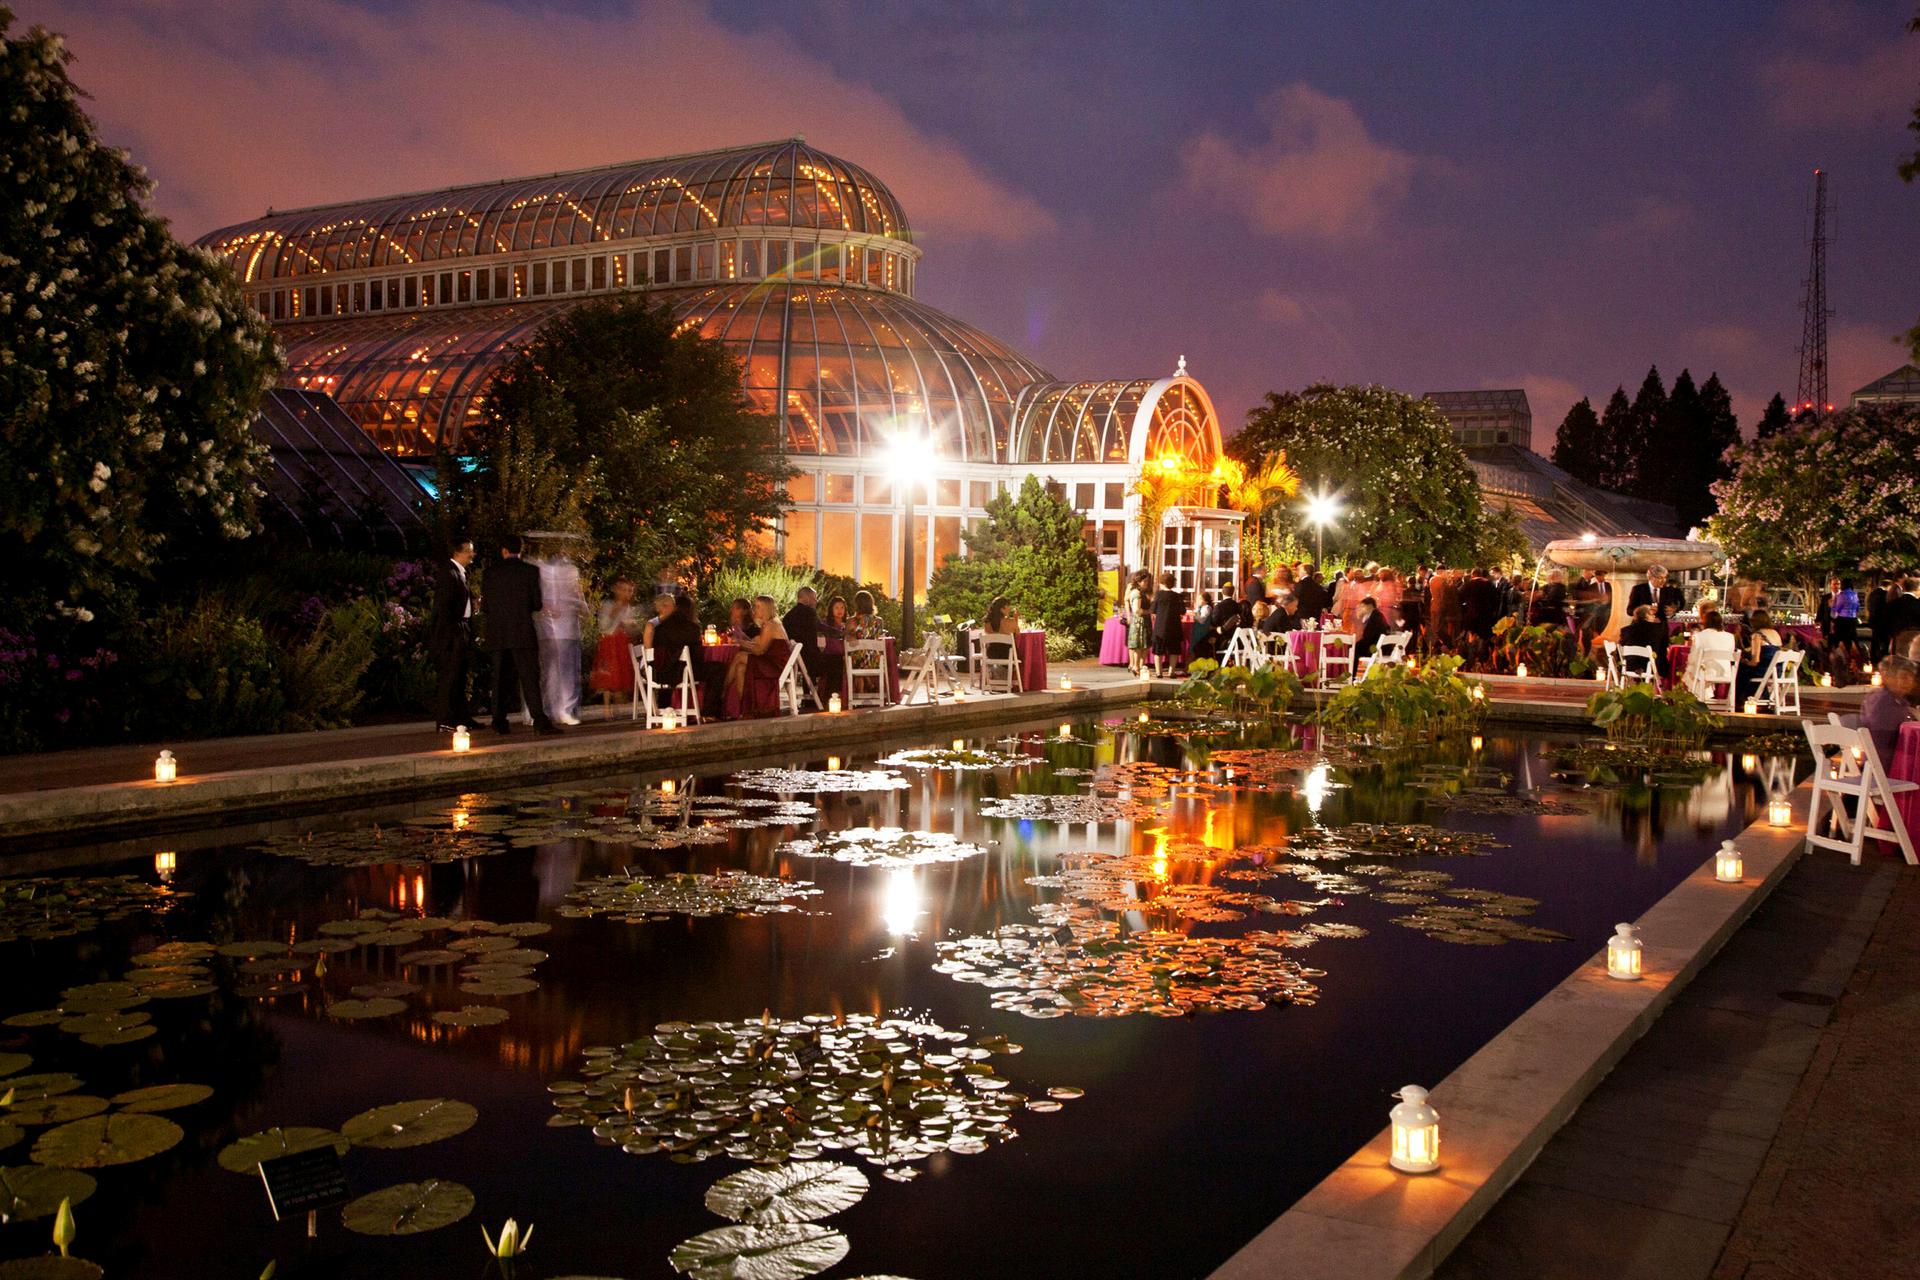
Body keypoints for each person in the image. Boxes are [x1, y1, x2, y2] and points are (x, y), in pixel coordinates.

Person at [484, 534, 558, 735]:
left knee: (499, 679)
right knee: (529, 678)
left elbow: (485, 606)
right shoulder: (530, 571)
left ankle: (498, 720)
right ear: (521, 550)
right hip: (522, 632)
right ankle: (539, 720)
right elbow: (537, 603)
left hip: (499, 633)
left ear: (504, 550)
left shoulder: (491, 573)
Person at [429, 537, 476, 731]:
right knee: (450, 675)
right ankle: (445, 720)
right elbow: (443, 607)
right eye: (470, 551)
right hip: (453, 632)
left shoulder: (459, 573)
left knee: (460, 675)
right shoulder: (449, 573)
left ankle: (461, 717)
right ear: (459, 552)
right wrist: (451, 634)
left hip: (460, 628)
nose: (472, 555)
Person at [536, 548, 587, 725]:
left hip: (568, 633)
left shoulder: (573, 589)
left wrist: (578, 599)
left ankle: (565, 710)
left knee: (567, 673)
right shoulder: (544, 578)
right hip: (550, 633)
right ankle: (550, 710)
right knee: (551, 672)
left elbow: (584, 609)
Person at [721, 595, 791, 716]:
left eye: (758, 607)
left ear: (765, 609)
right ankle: (747, 710)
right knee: (740, 668)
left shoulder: (772, 624)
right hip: (770, 661)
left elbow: (760, 651)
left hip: (776, 665)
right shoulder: (768, 624)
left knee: (739, 657)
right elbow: (757, 643)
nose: (755, 609)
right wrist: (743, 641)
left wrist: (740, 643)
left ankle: (722, 691)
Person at [1859, 655, 1917, 769]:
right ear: (1888, 677)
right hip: (1887, 766)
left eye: (1911, 677)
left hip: (1872, 764)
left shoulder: (1880, 697)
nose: (1909, 681)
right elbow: (1891, 738)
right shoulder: (1885, 702)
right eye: (1904, 676)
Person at [589, 578, 639, 707]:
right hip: (610, 643)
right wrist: (615, 612)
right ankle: (607, 707)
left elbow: (631, 628)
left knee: (622, 674)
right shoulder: (609, 605)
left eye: (629, 591)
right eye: (623, 590)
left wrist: (631, 626)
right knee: (609, 675)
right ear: (617, 590)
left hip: (622, 643)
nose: (626, 593)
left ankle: (619, 704)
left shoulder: (628, 608)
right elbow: (604, 626)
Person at [651, 593, 705, 710]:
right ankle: (709, 711)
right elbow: (698, 655)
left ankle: (665, 707)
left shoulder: (660, 627)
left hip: (661, 672)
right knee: (718, 669)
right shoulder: (693, 628)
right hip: (683, 673)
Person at [1736, 608, 1784, 706]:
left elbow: (1755, 661)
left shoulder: (1757, 635)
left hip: (1763, 671)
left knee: (1740, 670)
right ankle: (1762, 696)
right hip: (1777, 671)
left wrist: (1745, 661)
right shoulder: (1776, 634)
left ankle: (1741, 700)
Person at [783, 586, 828, 686]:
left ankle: (808, 697)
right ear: (806, 598)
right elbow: (821, 627)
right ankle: (826, 697)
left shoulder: (788, 616)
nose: (816, 601)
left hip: (793, 659)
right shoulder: (809, 612)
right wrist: (841, 633)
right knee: (836, 664)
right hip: (810, 660)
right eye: (814, 598)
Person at [1619, 604, 1672, 680]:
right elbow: (1664, 648)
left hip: (1630, 666)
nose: (1654, 616)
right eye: (1652, 614)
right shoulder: (1658, 630)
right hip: (1651, 666)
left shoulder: (1626, 630)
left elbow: (1622, 647)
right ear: (1646, 615)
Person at [1150, 570, 1186, 678]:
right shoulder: (1177, 596)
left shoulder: (1158, 595)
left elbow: (1153, 610)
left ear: (1161, 583)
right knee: (1174, 650)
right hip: (1174, 626)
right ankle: (1171, 671)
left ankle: (1159, 672)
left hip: (1160, 627)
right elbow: (1182, 611)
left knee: (1158, 651)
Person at [1125, 571, 1153, 676]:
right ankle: (1136, 666)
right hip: (1139, 621)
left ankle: (1140, 666)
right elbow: (1137, 610)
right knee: (1139, 645)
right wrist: (1149, 611)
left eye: (1147, 581)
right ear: (1139, 581)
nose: (1146, 583)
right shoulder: (1136, 593)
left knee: (1144, 646)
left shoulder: (1142, 592)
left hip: (1143, 620)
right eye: (1144, 581)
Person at [1460, 569, 1499, 643]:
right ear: (1481, 575)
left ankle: (1472, 649)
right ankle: (1483, 650)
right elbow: (1495, 599)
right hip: (1485, 614)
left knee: (1472, 635)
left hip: (1472, 614)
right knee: (1484, 636)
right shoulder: (1489, 584)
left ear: (1472, 575)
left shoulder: (1468, 584)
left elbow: (1460, 597)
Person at [983, 596, 1021, 664]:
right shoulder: (1011, 622)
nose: (1009, 608)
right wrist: (1016, 620)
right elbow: (1018, 633)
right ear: (1002, 609)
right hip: (1007, 655)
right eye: (1008, 606)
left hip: (991, 654)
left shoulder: (987, 622)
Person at [1353, 596, 1388, 661]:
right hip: (1380, 647)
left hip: (1375, 649)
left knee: (1353, 649)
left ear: (1369, 606)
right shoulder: (1377, 615)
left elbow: (1368, 638)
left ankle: (1351, 670)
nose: (1360, 609)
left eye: (1362, 606)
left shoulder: (1374, 619)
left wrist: (1354, 644)